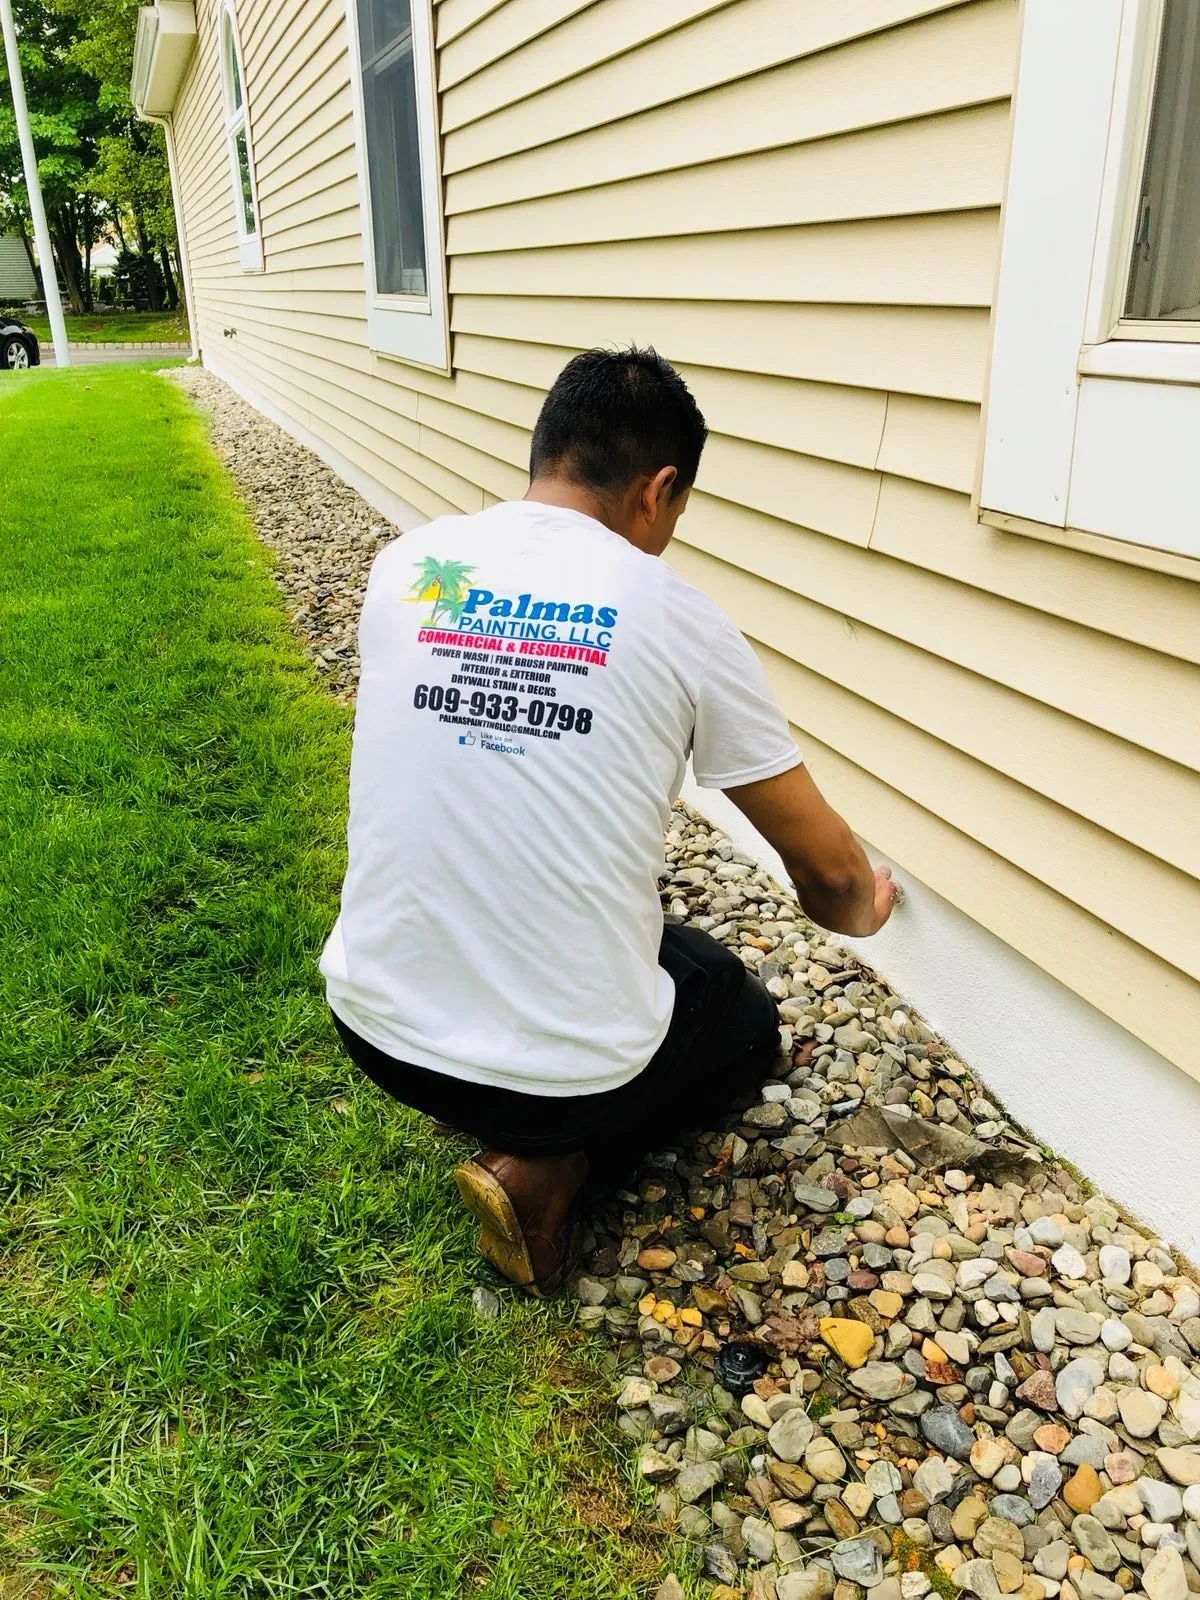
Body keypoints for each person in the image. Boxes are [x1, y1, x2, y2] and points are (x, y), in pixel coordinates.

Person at [321, 347, 898, 1295]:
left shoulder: (408, 564)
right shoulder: (677, 615)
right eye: (675, 511)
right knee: (735, 1008)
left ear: (546, 452)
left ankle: (519, 1125)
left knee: (648, 942)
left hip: (375, 1028)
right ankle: (544, 1169)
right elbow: (831, 879)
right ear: (657, 489)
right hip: (559, 1083)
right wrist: (867, 908)